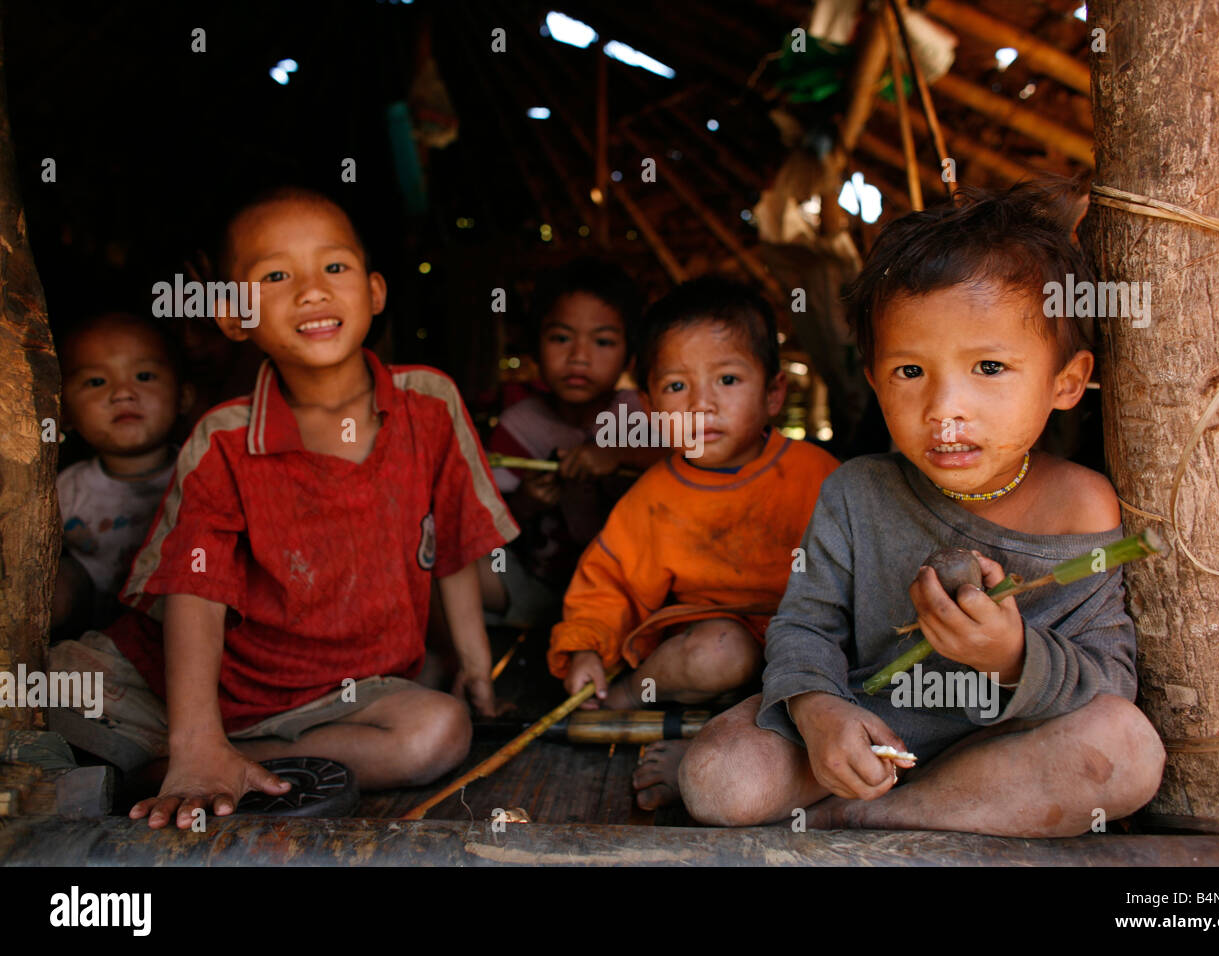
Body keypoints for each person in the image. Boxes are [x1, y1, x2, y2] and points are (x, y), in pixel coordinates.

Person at [678, 182, 1166, 836]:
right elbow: (804, 627)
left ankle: (862, 814)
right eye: (910, 372)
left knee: (1128, 751)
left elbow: (1110, 679)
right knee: (717, 780)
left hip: (1001, 749)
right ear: (875, 380)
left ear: (1066, 382)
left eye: (989, 366)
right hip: (864, 730)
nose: (944, 409)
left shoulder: (1081, 507)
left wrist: (1014, 658)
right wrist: (822, 714)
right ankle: (868, 796)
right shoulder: (856, 492)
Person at [49, 186, 518, 829]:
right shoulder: (225, 436)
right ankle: (193, 752)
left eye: (334, 267)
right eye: (275, 275)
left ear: (375, 292)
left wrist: (474, 667)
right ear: (234, 317)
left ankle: (204, 762)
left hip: (341, 696)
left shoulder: (428, 402)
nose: (311, 290)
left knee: (438, 732)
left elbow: (455, 542)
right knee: (41, 695)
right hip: (191, 685)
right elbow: (193, 588)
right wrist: (195, 737)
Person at [547, 276, 840, 809]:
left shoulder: (822, 479)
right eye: (678, 387)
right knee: (723, 651)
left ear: (773, 393)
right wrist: (587, 644)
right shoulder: (653, 496)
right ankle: (633, 698)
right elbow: (607, 580)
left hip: (803, 655)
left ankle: (702, 754)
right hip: (706, 653)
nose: (701, 405)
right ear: (649, 404)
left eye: (727, 379)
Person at [481, 259, 659, 630]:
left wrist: (620, 454)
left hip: (632, 598)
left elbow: (693, 467)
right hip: (541, 591)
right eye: (561, 338)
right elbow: (488, 524)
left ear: (629, 356)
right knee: (452, 570)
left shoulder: (642, 415)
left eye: (603, 341)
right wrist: (527, 501)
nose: (579, 356)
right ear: (535, 347)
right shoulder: (518, 426)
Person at [53, 313, 193, 634]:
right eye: (97, 382)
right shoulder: (66, 489)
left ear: (184, 396)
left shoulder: (199, 471)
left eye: (144, 376)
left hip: (177, 622)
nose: (122, 394)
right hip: (91, 619)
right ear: (64, 413)